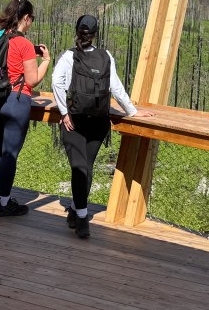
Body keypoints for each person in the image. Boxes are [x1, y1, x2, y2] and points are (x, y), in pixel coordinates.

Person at [52, 14, 153, 238]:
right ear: (96, 33)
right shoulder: (105, 56)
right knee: (86, 167)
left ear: (77, 31)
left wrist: (64, 112)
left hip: (75, 121)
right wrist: (133, 112)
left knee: (79, 168)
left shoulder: (69, 56)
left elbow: (56, 82)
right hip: (99, 122)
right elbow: (116, 88)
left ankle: (81, 219)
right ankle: (76, 211)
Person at [0, 0, 50, 217]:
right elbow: (31, 80)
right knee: (10, 153)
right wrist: (45, 60)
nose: (31, 23)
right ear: (25, 18)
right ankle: (4, 203)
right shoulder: (24, 44)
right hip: (16, 100)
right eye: (32, 19)